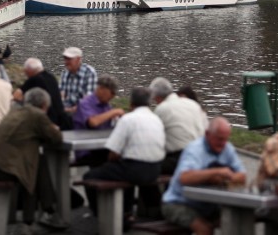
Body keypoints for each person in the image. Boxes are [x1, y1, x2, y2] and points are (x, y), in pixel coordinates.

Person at [0, 88, 65, 230]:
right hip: (4, 168)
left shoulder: (16, 110)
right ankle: (32, 220)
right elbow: (56, 138)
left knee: (37, 162)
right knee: (32, 169)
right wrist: (53, 128)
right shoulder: (38, 115)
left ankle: (47, 212)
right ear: (44, 105)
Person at [83, 87, 165, 227]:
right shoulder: (156, 118)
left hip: (136, 169)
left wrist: (111, 161)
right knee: (123, 171)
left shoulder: (128, 119)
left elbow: (113, 152)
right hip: (156, 168)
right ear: (148, 103)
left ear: (131, 103)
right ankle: (127, 213)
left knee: (90, 176)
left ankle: (100, 215)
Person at [162, 117, 246, 235]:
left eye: (225, 139)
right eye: (219, 139)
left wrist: (225, 179)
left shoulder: (227, 148)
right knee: (204, 229)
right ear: (207, 134)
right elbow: (184, 177)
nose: (222, 144)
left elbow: (242, 176)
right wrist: (216, 172)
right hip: (179, 202)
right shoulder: (195, 150)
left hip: (209, 204)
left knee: (236, 220)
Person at [151, 77, 207, 175]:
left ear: (157, 97)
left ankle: (158, 190)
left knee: (144, 169)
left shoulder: (162, 108)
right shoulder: (193, 104)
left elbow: (153, 138)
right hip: (202, 155)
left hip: (180, 159)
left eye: (154, 99)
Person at [72, 75, 124, 165]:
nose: (113, 96)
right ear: (101, 89)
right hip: (87, 150)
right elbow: (93, 122)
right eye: (112, 93)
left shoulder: (106, 105)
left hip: (103, 147)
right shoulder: (85, 103)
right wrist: (113, 112)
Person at [13, 57, 72, 130]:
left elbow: (16, 95)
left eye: (26, 72)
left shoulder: (34, 79)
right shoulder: (51, 77)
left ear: (29, 70)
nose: (25, 74)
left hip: (48, 121)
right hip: (62, 119)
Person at [59, 47, 97, 111]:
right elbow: (61, 94)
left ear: (78, 59)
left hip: (82, 111)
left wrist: (69, 109)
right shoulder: (65, 73)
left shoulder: (89, 73)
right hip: (64, 109)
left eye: (69, 59)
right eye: (65, 59)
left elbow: (88, 101)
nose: (66, 62)